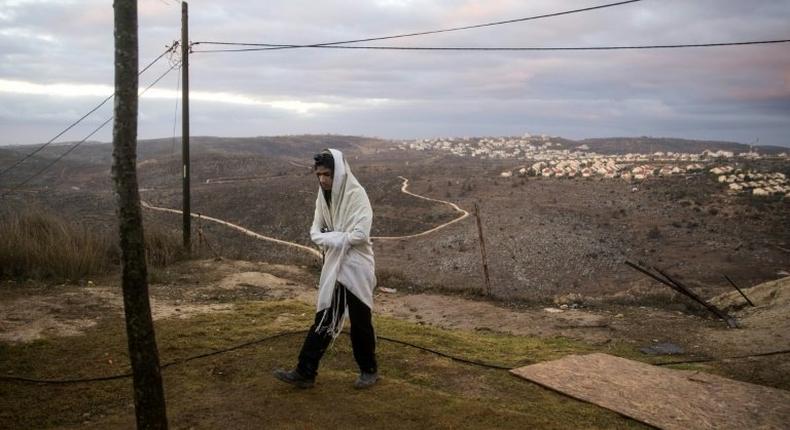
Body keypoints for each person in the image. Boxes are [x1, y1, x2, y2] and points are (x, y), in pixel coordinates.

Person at [274, 148, 378, 389]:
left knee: (361, 321)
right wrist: (338, 237)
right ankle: (305, 371)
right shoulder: (323, 197)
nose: (322, 179)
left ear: (338, 173)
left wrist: (328, 237)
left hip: (357, 266)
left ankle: (369, 370)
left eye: (327, 174)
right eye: (318, 174)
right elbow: (314, 231)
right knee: (324, 320)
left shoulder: (356, 195)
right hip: (334, 265)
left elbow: (361, 235)